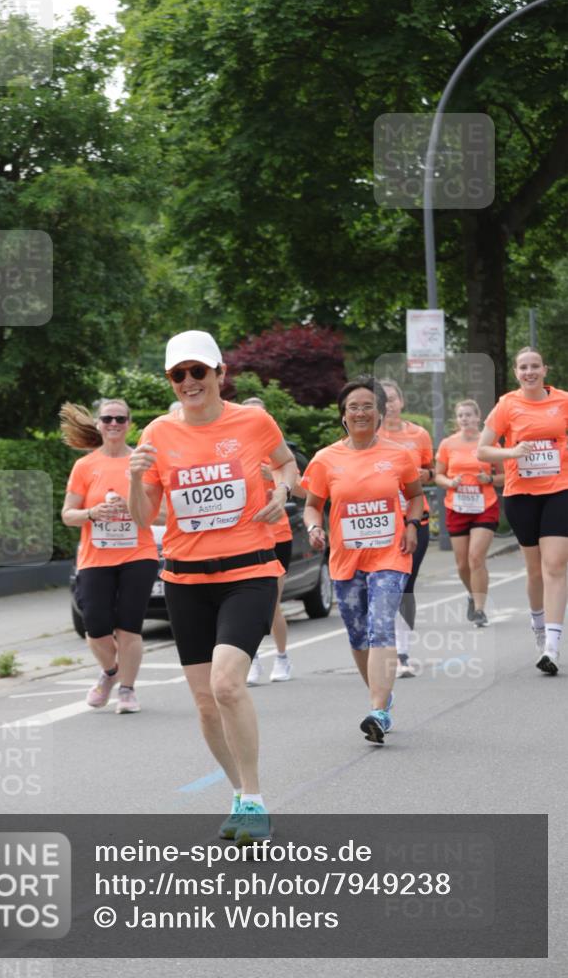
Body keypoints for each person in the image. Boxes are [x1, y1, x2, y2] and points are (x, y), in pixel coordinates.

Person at [128, 331, 298, 844]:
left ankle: (254, 798)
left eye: (197, 371)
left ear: (219, 373)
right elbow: (143, 518)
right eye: (177, 375)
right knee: (205, 702)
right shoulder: (156, 434)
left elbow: (286, 462)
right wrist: (136, 479)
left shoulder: (252, 420)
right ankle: (242, 795)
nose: (188, 382)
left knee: (227, 683)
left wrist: (283, 490)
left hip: (249, 571)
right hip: (186, 578)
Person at [302, 376, 423, 743]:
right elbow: (312, 505)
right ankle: (381, 699)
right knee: (358, 635)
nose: (360, 412)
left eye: (368, 406)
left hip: (389, 555)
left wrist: (413, 524)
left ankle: (377, 710)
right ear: (343, 415)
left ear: (380, 413)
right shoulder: (326, 459)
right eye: (353, 407)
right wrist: (313, 529)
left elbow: (414, 495)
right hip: (345, 559)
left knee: (381, 625)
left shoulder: (398, 455)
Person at [60, 398, 159, 713]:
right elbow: (67, 515)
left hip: (138, 554)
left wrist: (135, 508)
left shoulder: (142, 463)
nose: (114, 424)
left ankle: (127, 691)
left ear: (130, 423)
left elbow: (163, 514)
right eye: (108, 419)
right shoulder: (85, 466)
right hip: (96, 558)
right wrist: (93, 512)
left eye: (120, 419)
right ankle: (111, 673)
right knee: (96, 628)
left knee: (129, 627)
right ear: (99, 424)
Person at [478, 348, 568, 675]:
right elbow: (482, 449)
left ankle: (553, 648)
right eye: (523, 367)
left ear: (545, 369)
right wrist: (512, 451)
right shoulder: (507, 405)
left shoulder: (563, 400)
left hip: (559, 490)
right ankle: (539, 627)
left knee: (555, 565)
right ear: (517, 373)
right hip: (521, 494)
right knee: (535, 571)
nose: (529, 372)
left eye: (535, 366)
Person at [241, 396, 306, 685]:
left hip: (276, 536)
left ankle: (281, 657)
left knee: (270, 603)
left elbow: (306, 492)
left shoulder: (277, 454)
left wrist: (276, 479)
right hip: (245, 538)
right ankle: (252, 660)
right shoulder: (234, 452)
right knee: (246, 603)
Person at [378, 379, 434, 677]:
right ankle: (382, 648)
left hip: (415, 520)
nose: (388, 404)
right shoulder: (369, 435)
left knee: (406, 586)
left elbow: (431, 470)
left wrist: (427, 473)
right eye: (382, 399)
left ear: (401, 401)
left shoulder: (419, 435)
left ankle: (402, 653)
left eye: (392, 398)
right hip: (381, 523)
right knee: (384, 586)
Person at [435, 400, 504, 627]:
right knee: (462, 564)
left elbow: (505, 476)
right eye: (460, 415)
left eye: (468, 415)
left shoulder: (489, 442)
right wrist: (450, 482)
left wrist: (490, 479)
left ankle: (481, 609)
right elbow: (438, 475)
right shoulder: (447, 444)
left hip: (485, 505)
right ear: (457, 420)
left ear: (477, 417)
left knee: (476, 557)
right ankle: (472, 595)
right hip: (457, 506)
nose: (464, 419)